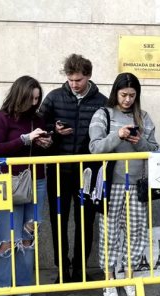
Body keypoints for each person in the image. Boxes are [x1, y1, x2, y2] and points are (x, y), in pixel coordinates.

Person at [88, 72, 159, 296]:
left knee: (136, 232)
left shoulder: (143, 117)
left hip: (137, 184)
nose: (127, 99)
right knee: (108, 232)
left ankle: (128, 276)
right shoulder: (103, 114)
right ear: (115, 93)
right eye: (123, 94)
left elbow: (154, 150)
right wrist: (117, 135)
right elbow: (95, 147)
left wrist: (141, 143)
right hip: (111, 184)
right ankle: (109, 278)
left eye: (132, 95)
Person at [0, 75, 51, 296]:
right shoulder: (2, 117)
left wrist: (44, 143)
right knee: (5, 238)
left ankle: (23, 286)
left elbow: (35, 150)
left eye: (37, 99)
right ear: (20, 95)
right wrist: (25, 139)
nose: (34, 103)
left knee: (28, 236)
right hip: (9, 182)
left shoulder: (38, 118)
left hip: (37, 180)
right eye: (31, 98)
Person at [39, 53, 108, 283]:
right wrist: (53, 130)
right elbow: (38, 125)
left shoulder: (102, 102)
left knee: (85, 220)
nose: (74, 84)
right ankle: (62, 269)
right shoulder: (54, 97)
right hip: (58, 170)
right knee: (59, 220)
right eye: (70, 80)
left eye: (78, 80)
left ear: (88, 76)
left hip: (88, 172)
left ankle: (80, 268)